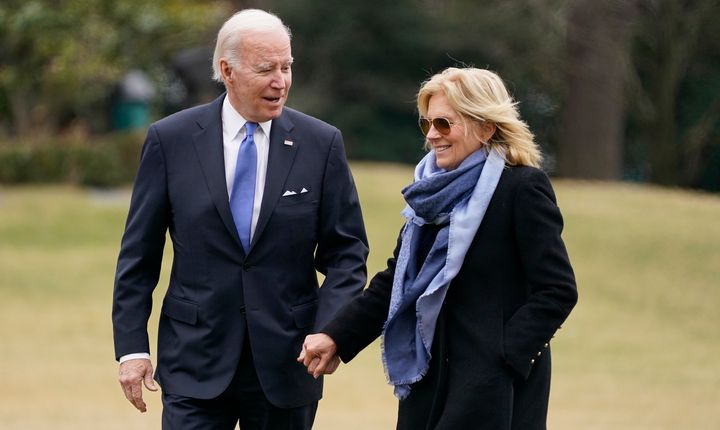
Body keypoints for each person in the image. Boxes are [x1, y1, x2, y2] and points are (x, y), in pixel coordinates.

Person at [112, 9, 368, 429]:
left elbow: (347, 252)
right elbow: (138, 256)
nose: (281, 81)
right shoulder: (170, 139)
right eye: (266, 68)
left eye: (287, 67)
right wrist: (132, 348)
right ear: (227, 70)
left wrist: (331, 329)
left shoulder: (321, 144)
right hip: (194, 360)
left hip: (288, 362)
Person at [298, 67, 578, 429]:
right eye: (427, 124)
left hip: (494, 391)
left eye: (444, 124)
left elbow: (557, 290)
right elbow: (395, 283)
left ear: (486, 126)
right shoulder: (428, 197)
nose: (432, 135)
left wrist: (504, 356)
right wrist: (337, 336)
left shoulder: (522, 189)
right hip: (429, 380)